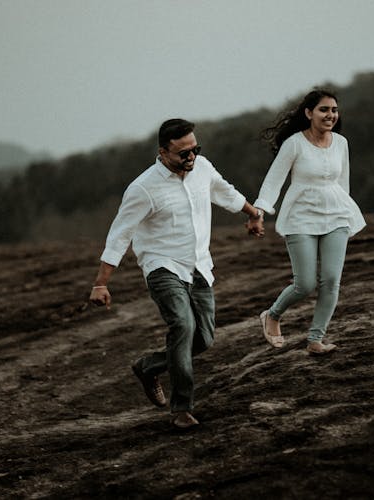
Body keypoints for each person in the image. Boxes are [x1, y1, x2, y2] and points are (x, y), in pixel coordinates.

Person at [89, 118, 264, 429]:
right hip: (162, 266)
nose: (191, 157)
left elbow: (225, 192)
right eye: (183, 153)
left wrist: (252, 214)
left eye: (195, 149)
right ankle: (181, 408)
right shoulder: (143, 188)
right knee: (182, 326)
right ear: (163, 152)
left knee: (204, 339)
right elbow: (120, 234)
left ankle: (149, 367)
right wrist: (101, 283)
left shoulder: (203, 169)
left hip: (199, 264)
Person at [253, 89, 365, 355]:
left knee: (331, 280)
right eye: (324, 110)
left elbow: (343, 181)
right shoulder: (294, 143)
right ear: (309, 113)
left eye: (334, 110)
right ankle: (272, 315)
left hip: (336, 214)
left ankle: (316, 338)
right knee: (305, 283)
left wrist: (347, 214)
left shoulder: (341, 143)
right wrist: (259, 211)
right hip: (300, 216)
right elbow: (273, 181)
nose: (330, 115)